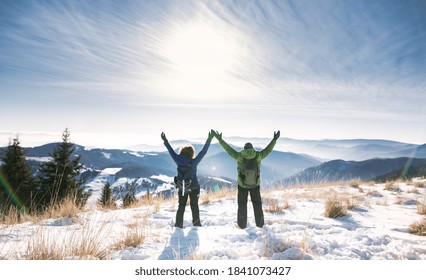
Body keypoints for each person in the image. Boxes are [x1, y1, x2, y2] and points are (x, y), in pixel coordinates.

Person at [213, 130, 280, 229]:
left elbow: (229, 150)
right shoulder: (258, 156)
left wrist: (220, 140)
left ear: (244, 149)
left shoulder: (240, 156)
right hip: (255, 185)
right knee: (257, 204)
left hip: (242, 185)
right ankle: (260, 224)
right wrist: (274, 139)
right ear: (252, 148)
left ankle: (242, 225)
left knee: (242, 204)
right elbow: (268, 150)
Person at [161, 130, 214, 228]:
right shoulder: (194, 162)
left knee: (181, 207)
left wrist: (165, 141)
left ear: (182, 151)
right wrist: (209, 139)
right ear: (191, 153)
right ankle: (196, 224)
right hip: (194, 187)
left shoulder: (177, 159)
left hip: (182, 188)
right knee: (194, 206)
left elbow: (170, 150)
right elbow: (203, 152)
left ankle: (178, 225)